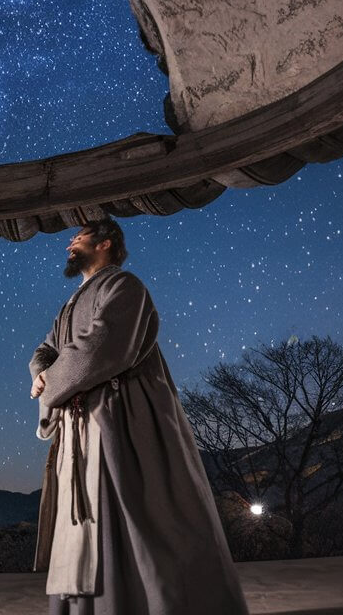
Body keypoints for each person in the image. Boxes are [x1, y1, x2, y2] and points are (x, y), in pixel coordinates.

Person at [29, 218, 248, 615]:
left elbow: (103, 347)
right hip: (79, 428)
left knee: (139, 513)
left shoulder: (124, 287)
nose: (69, 244)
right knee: (84, 524)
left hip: (121, 419)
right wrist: (42, 374)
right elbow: (43, 352)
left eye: (78, 237)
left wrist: (52, 383)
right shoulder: (68, 307)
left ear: (106, 244)